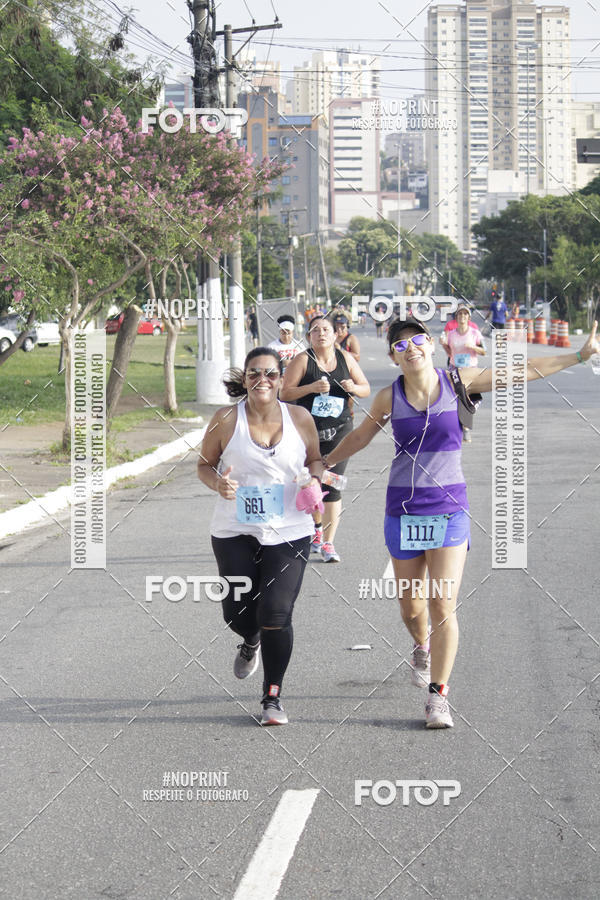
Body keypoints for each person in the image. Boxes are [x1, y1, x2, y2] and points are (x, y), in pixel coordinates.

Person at [324, 318, 600, 729]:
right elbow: (362, 436)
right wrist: (324, 463)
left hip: (450, 509)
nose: (411, 347)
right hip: (403, 510)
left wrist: (579, 354)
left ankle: (438, 698)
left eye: (418, 339)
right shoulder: (388, 397)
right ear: (393, 356)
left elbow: (519, 371)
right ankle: (421, 646)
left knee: (441, 603)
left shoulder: (458, 382)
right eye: (401, 344)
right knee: (410, 607)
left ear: (431, 344)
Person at [197, 347, 326, 726]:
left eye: (270, 373)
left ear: (282, 379)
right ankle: (248, 639)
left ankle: (272, 696)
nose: (262, 380)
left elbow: (315, 458)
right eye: (254, 373)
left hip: (290, 529)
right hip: (234, 530)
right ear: (245, 379)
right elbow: (203, 465)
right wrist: (218, 483)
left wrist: (313, 479)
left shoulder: (300, 417)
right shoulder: (224, 420)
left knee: (275, 612)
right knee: (238, 613)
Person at [280, 315, 370, 563]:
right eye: (315, 330)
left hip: (340, 432)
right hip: (307, 434)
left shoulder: (345, 358)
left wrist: (353, 387)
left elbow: (366, 388)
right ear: (309, 336)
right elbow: (285, 392)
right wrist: (310, 389)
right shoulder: (302, 360)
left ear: (335, 334)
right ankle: (316, 530)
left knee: (333, 486)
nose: (321, 333)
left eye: (326, 329)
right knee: (310, 485)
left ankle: (328, 542)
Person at [440, 304, 485, 442]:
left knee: (470, 399)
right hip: (455, 368)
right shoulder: (451, 334)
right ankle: (463, 428)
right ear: (456, 317)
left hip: (471, 369)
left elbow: (484, 351)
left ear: (469, 317)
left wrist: (473, 347)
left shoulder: (474, 333)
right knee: (456, 398)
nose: (462, 317)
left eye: (465, 314)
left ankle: (465, 427)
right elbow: (449, 352)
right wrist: (443, 344)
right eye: (460, 314)